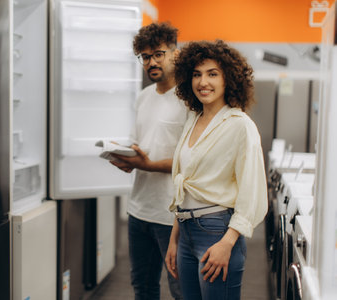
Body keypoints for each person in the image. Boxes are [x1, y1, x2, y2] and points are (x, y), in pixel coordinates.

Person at [164, 40, 268, 300]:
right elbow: (185, 185)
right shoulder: (193, 119)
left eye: (212, 74)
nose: (203, 82)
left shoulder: (240, 125)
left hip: (218, 231)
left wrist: (227, 243)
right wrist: (174, 239)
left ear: (228, 79)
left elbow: (251, 192)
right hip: (185, 230)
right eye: (197, 74)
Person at [110, 22, 186, 300]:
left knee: (181, 290)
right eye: (145, 56)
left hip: (171, 215)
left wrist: (147, 164)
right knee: (143, 287)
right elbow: (140, 145)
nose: (151, 62)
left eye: (158, 54)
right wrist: (126, 157)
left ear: (174, 53)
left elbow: (190, 162)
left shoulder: (189, 99)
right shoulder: (143, 97)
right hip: (138, 210)